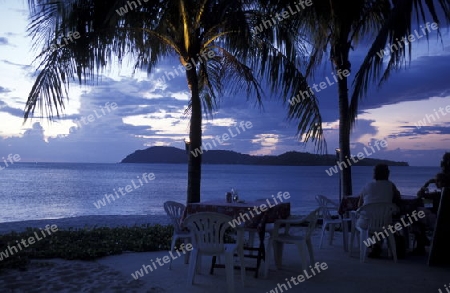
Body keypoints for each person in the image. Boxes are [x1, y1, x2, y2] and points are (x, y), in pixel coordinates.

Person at [357, 164, 401, 258]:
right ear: (387, 174)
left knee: (370, 219)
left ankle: (375, 245)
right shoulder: (391, 186)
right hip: (384, 222)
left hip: (367, 223)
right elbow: (398, 199)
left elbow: (359, 205)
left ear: (374, 174)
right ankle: (376, 245)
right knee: (381, 221)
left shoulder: (368, 186)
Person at [413, 172, 450, 255]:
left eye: (437, 181)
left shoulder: (437, 195)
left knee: (415, 215)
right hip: (442, 219)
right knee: (419, 215)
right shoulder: (441, 194)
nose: (436, 183)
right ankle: (423, 241)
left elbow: (419, 195)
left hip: (438, 221)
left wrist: (427, 183)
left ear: (443, 182)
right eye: (435, 181)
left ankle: (421, 244)